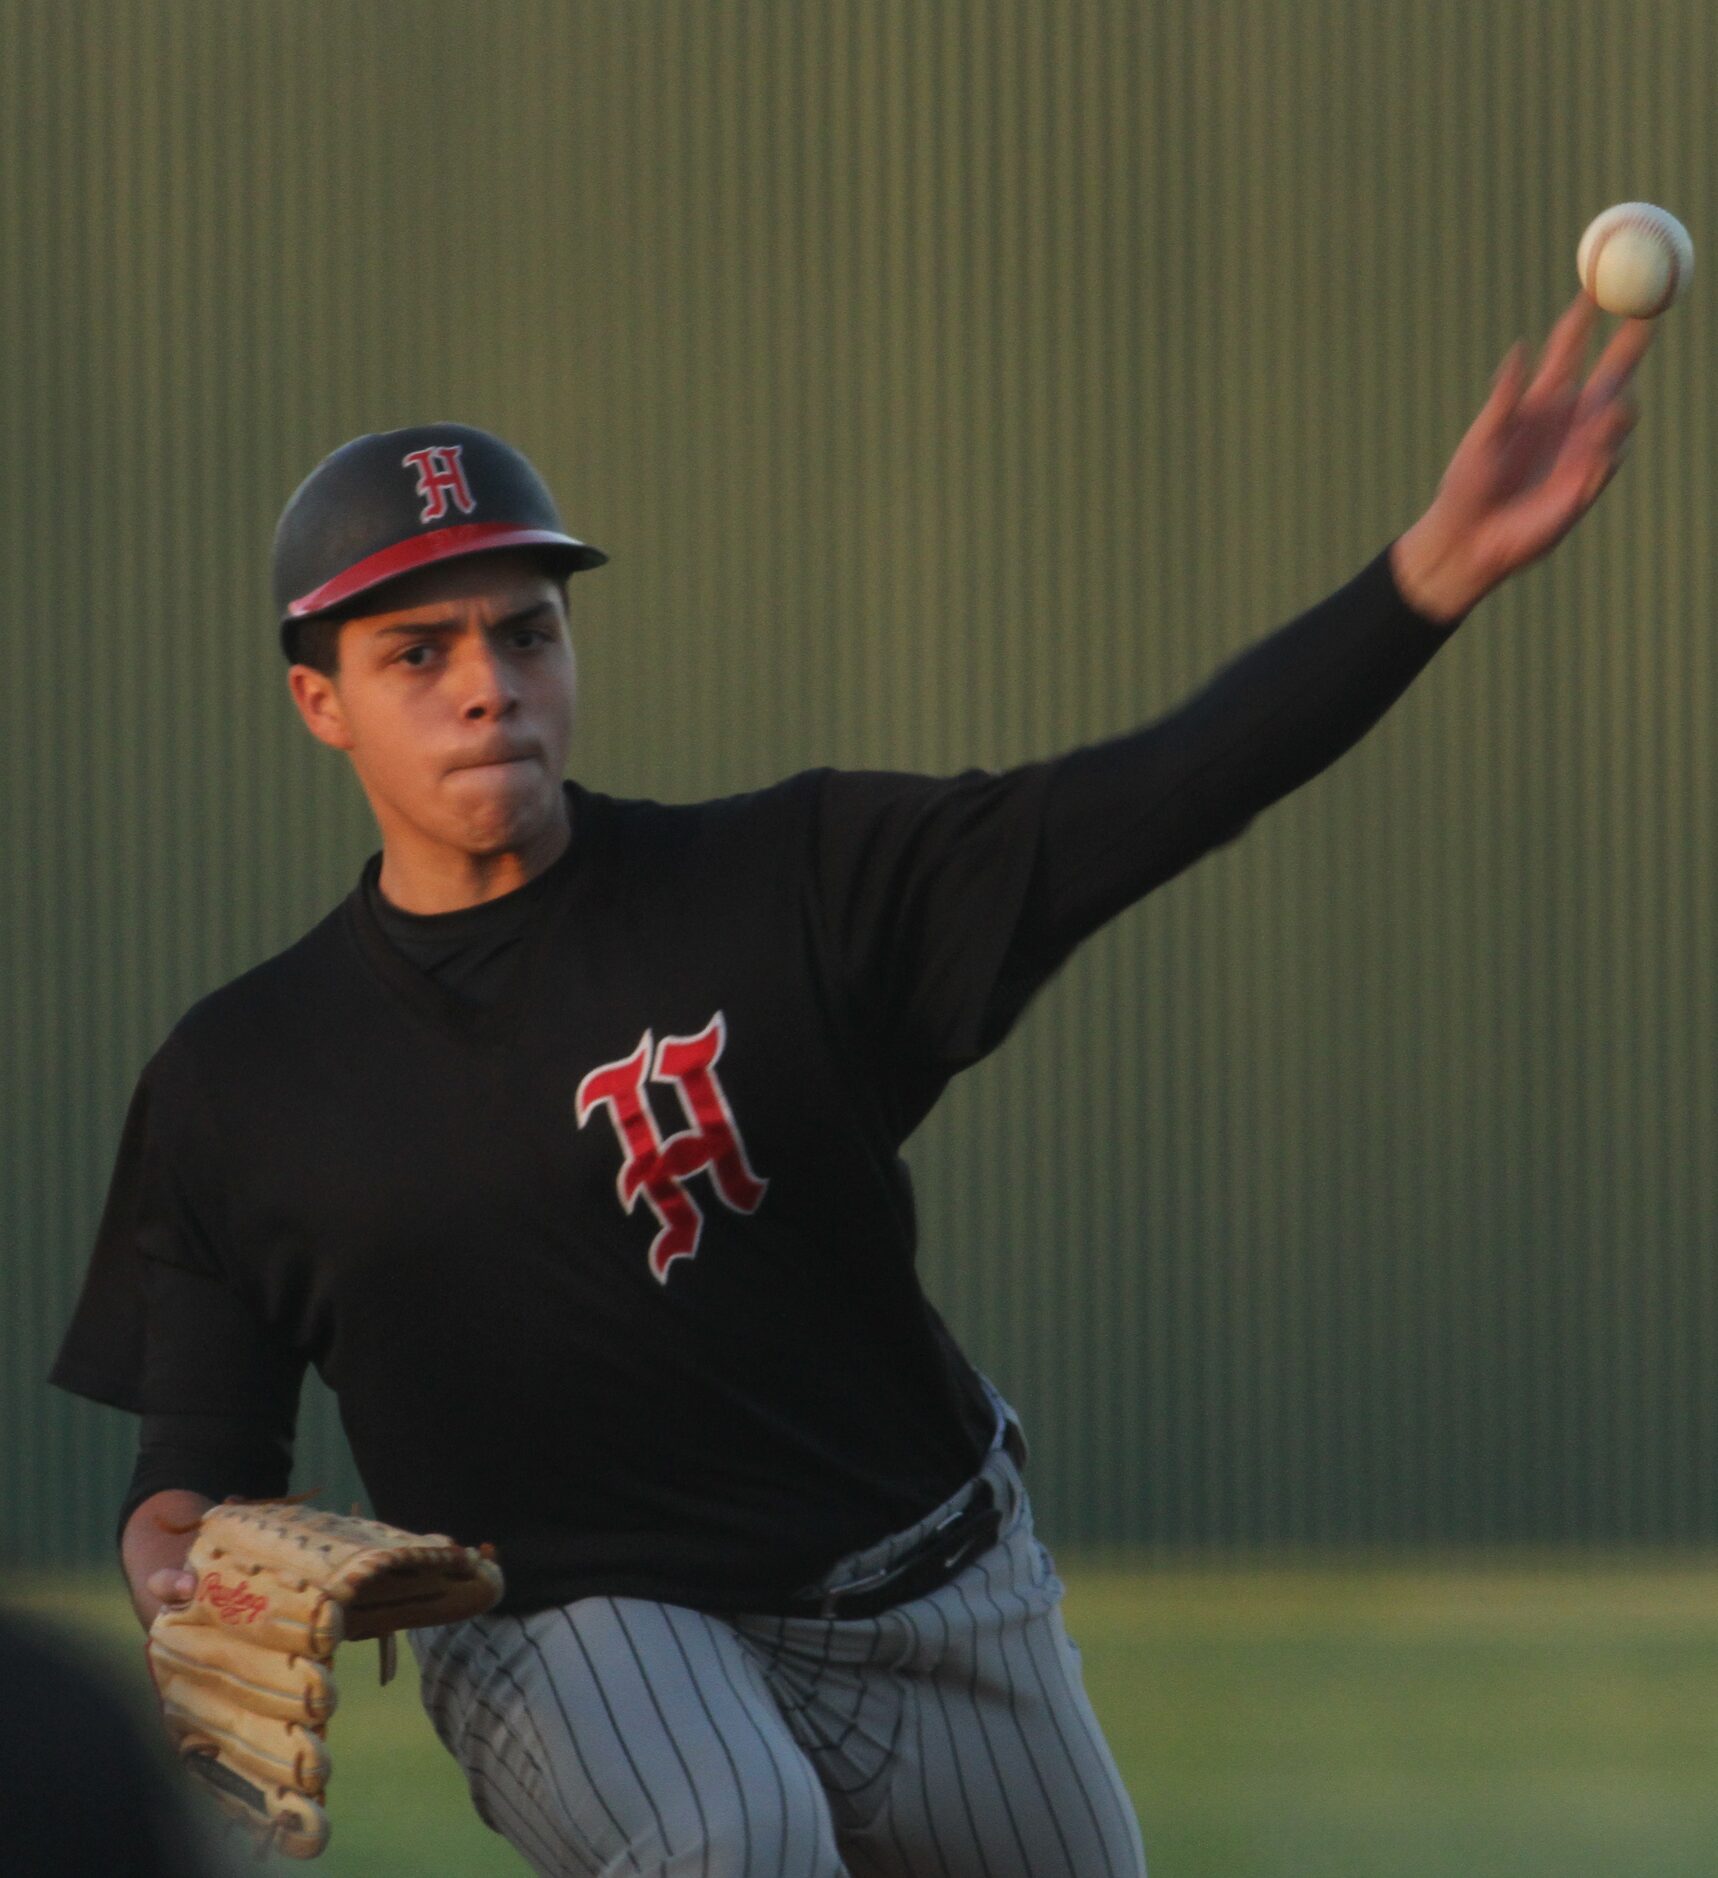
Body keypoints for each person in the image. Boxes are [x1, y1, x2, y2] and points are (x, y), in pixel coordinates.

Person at [51, 294, 1650, 1877]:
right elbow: (197, 1457)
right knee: (734, 1838)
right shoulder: (242, 1075)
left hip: (933, 1598)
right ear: (317, 699)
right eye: (419, 650)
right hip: (572, 1634)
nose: (488, 684)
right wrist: (179, 1555)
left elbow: (1140, 800)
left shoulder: (790, 885)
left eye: (523, 631)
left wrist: (1423, 580)